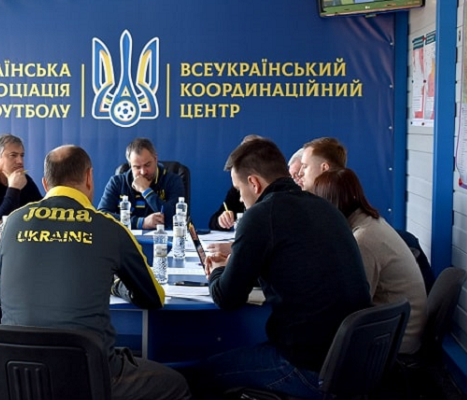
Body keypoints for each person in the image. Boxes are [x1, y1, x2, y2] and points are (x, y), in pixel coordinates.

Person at [0, 145, 191, 400]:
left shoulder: (12, 222)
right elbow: (154, 298)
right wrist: (115, 285)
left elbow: (1, 296)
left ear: (45, 183)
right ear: (89, 177)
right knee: (177, 385)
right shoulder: (109, 227)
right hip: (87, 376)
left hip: (17, 376)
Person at [194, 138, 371, 399]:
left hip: (308, 369)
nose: (240, 199)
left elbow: (227, 298)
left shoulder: (260, 215)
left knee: (201, 374)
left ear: (254, 183)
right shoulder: (325, 207)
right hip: (353, 364)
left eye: (239, 190)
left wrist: (219, 268)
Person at [312, 168, 427, 354]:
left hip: (396, 345)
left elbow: (353, 305)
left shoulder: (363, 240)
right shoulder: (371, 222)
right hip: (398, 332)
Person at [97, 137, 186, 229]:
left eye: (147, 165)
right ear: (130, 165)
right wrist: (140, 222)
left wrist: (146, 191)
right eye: (137, 167)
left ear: (155, 159)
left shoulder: (173, 181)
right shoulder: (117, 182)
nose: (143, 172)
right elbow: (101, 216)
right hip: (126, 237)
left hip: (162, 237)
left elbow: (176, 219)